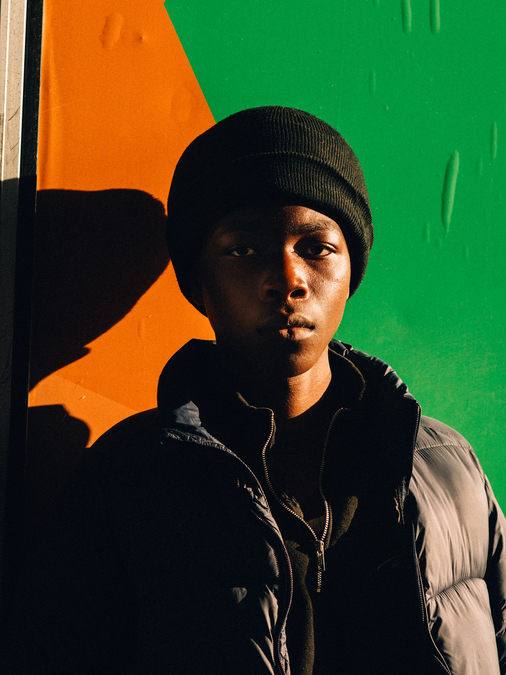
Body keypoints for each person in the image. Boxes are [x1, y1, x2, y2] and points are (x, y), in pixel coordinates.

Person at [3, 106, 506, 674]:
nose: (287, 279)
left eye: (317, 247)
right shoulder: (127, 483)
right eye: (245, 250)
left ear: (351, 271)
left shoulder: (444, 467)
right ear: (199, 282)